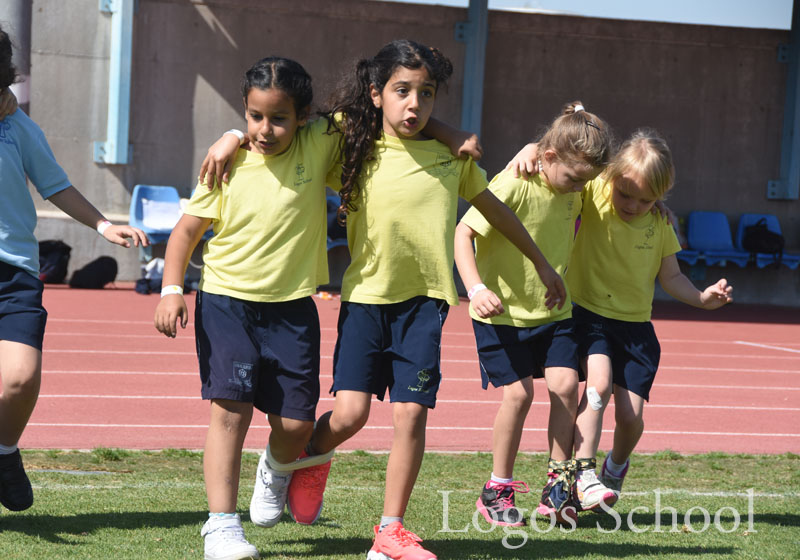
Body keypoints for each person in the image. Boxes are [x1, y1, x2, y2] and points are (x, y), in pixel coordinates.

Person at [272, 40, 565, 560]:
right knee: (351, 415)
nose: (414, 105)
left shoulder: (450, 160)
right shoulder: (353, 146)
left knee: (411, 415)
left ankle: (390, 532)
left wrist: (542, 263)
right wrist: (232, 136)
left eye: (426, 94)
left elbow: (496, 212)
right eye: (401, 91)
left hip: (425, 306)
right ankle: (312, 456)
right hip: (364, 301)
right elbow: (288, 124)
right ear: (376, 94)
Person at [154, 56, 345, 560]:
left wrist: (450, 130)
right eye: (254, 117)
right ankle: (221, 526)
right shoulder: (227, 163)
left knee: (296, 425)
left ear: (303, 117)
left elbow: (377, 106)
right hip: (226, 301)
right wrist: (171, 289)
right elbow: (186, 234)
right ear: (245, 110)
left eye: (278, 118)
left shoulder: (319, 141)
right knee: (229, 413)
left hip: (292, 309)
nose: (264, 129)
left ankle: (277, 469)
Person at [0, 20, 147, 532]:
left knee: (21, 378)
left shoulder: (15, 125)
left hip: (12, 271)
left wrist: (105, 225)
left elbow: (56, 185)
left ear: (4, 90)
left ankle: (3, 449)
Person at [516, 129, 733, 513]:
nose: (632, 205)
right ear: (612, 179)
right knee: (596, 388)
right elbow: (569, 156)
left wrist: (703, 299)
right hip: (588, 316)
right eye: (626, 194)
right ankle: (581, 474)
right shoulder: (596, 192)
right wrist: (533, 148)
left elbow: (672, 279)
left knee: (631, 418)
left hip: (635, 329)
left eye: (646, 200)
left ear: (662, 197)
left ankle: (614, 467)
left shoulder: (660, 224)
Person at [454, 101, 615, 527]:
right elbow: (463, 231)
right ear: (548, 158)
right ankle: (497, 489)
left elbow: (583, 142)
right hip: (502, 314)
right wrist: (476, 288)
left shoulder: (572, 186)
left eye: (586, 181)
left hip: (552, 311)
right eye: (575, 178)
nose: (580, 187)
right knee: (520, 395)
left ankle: (557, 486)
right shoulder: (516, 181)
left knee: (565, 386)